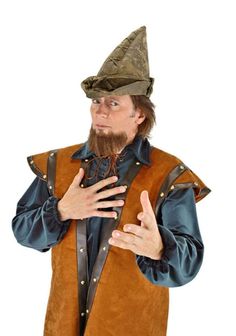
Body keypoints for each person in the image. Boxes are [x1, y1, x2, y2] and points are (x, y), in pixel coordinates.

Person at [12, 26, 210, 336]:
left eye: (114, 103)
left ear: (139, 115)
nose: (100, 112)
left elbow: (188, 263)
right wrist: (61, 211)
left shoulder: (168, 174)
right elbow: (23, 232)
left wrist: (160, 249)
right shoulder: (59, 165)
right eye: (96, 102)